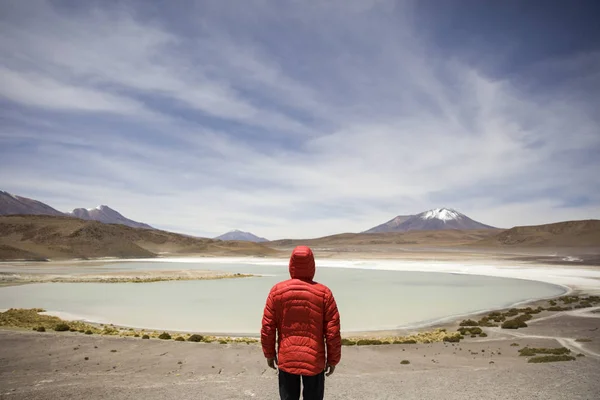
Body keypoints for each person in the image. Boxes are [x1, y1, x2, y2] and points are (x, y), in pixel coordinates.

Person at [261, 245, 341, 400]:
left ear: (291, 264)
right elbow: (333, 331)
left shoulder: (277, 291)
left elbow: (267, 327)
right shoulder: (324, 293)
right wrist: (333, 359)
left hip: (287, 358)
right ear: (312, 264)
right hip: (314, 361)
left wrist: (269, 354)